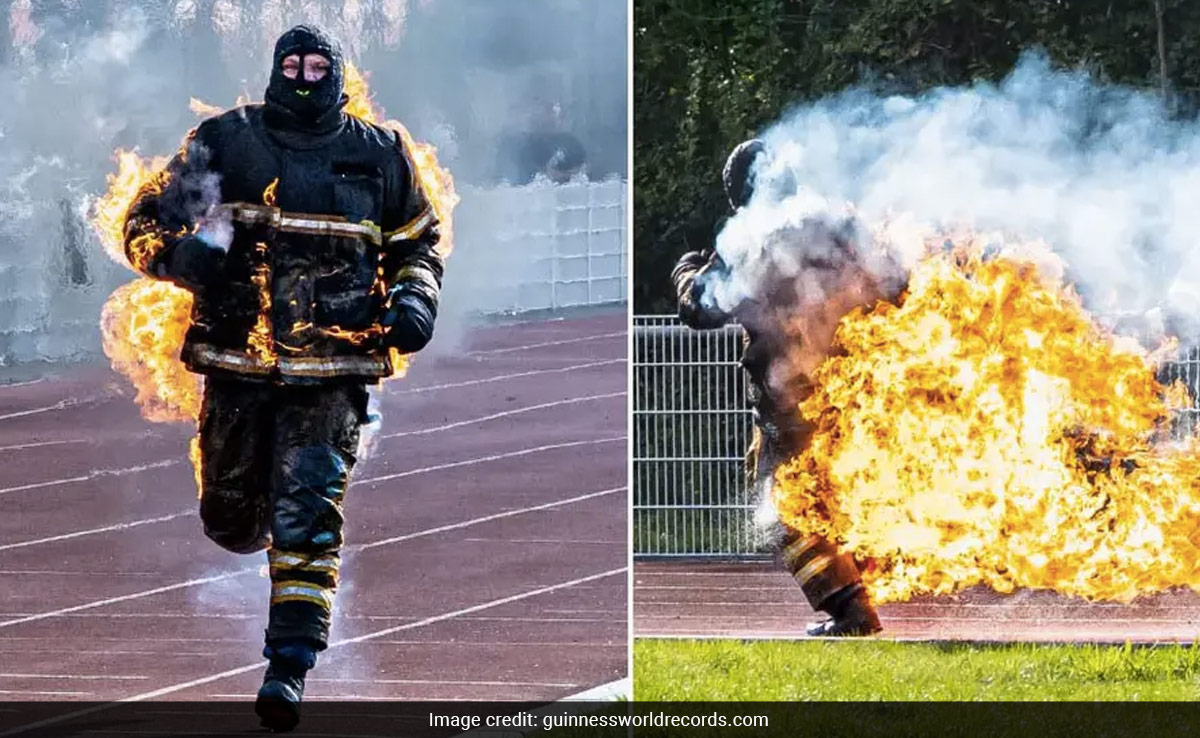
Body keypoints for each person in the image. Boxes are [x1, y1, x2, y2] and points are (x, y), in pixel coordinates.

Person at [123, 25, 443, 731]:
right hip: (237, 366)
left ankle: (289, 666)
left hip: (335, 370)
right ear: (275, 69)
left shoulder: (379, 153)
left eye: (316, 64)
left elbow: (418, 244)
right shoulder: (227, 142)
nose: (304, 75)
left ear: (337, 72)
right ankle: (260, 521)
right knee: (230, 519)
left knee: (308, 512)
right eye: (292, 64)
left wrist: (415, 300)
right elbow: (143, 221)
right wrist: (181, 259)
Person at [671, 139, 886, 637]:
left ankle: (851, 611)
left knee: (783, 507)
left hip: (793, 403)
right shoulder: (838, 224)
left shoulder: (754, 239)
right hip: (857, 389)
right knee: (835, 496)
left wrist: (687, 270)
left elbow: (702, 308)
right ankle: (862, 589)